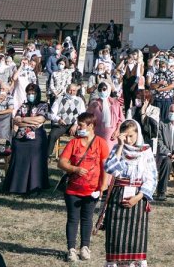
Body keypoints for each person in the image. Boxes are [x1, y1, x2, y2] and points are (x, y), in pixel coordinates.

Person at [100, 119, 158, 267]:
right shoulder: (117, 149)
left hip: (137, 197)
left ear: (137, 134)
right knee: (115, 233)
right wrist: (120, 146)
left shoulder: (145, 151)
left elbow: (152, 178)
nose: (128, 140)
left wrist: (138, 197)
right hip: (118, 195)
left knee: (136, 234)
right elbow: (111, 169)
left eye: (131, 136)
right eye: (125, 136)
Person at [58, 111, 109, 263]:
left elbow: (105, 166)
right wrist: (74, 169)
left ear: (91, 126)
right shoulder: (73, 143)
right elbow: (61, 162)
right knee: (73, 219)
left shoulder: (101, 143)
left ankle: (85, 247)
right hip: (72, 190)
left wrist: (103, 186)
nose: (78, 128)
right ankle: (71, 249)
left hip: (92, 191)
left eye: (81, 125)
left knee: (87, 219)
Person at [2, 82, 50, 195]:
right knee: (17, 155)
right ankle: (16, 186)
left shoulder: (43, 105)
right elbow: (16, 120)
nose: (30, 95)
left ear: (37, 94)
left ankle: (34, 187)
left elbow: (41, 119)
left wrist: (23, 120)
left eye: (33, 93)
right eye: (29, 93)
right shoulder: (23, 105)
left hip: (36, 137)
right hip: (21, 137)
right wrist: (29, 122)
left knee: (35, 161)